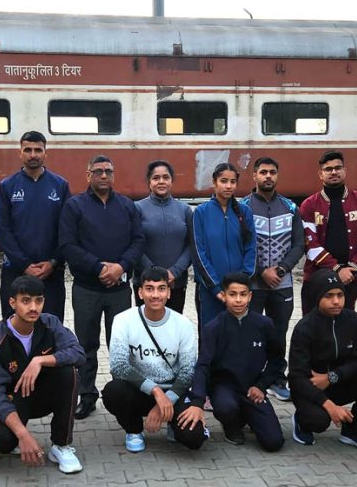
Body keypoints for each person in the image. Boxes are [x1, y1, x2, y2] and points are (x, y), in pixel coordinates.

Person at [59, 154, 144, 419]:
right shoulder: (75, 206)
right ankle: (86, 395)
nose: (104, 175)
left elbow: (138, 241)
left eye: (108, 171)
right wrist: (98, 268)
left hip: (119, 289)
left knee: (120, 344)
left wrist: (121, 267)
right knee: (86, 344)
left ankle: (123, 394)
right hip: (87, 288)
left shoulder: (127, 206)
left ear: (114, 174)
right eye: (98, 171)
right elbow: (68, 245)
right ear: (88, 175)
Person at [0, 276, 86, 474]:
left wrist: (40, 360)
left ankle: (61, 446)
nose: (34, 307)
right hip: (15, 400)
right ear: (13, 303)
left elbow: (78, 353)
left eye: (39, 300)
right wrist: (23, 434)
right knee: (2, 443)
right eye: (26, 301)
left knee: (69, 372)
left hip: (45, 395)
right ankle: (20, 438)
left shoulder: (50, 324)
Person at [102, 266, 206, 453]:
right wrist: (156, 392)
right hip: (141, 391)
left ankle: (172, 425)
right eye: (149, 288)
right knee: (113, 391)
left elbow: (188, 372)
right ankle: (134, 430)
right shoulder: (123, 320)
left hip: (174, 392)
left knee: (194, 439)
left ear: (169, 292)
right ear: (140, 293)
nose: (155, 295)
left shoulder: (183, 324)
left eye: (161, 288)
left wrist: (165, 402)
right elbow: (118, 367)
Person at [179, 272, 284, 451]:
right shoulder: (213, 328)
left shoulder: (264, 324)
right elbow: (203, 365)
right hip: (223, 387)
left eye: (243, 294)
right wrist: (197, 400)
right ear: (224, 295)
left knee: (273, 442)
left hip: (252, 388)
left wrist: (261, 385)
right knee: (226, 407)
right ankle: (231, 426)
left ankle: (249, 416)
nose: (238, 300)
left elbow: (277, 360)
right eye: (232, 294)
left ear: (250, 296)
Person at [288, 268, 357, 452]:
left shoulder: (353, 320)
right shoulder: (304, 328)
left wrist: (332, 377)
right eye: (329, 296)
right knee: (318, 421)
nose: (336, 301)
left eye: (340, 295)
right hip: (311, 388)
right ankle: (301, 422)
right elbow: (296, 377)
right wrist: (330, 406)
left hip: (339, 382)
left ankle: (354, 432)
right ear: (317, 297)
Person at [240, 157, 304, 402]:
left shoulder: (290, 207)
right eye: (263, 172)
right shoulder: (243, 206)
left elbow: (299, 244)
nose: (268, 176)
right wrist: (259, 271)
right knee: (251, 333)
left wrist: (281, 269)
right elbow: (240, 244)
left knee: (279, 333)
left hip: (282, 283)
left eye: (272, 172)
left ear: (277, 176)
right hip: (253, 284)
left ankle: (277, 379)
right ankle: (252, 379)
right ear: (254, 175)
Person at [0, 130, 71, 322]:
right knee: (14, 325)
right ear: (20, 153)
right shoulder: (7, 186)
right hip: (15, 271)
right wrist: (24, 265)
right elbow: (4, 230)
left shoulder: (60, 185)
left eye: (38, 150)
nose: (33, 154)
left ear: (46, 153)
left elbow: (67, 230)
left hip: (51, 273)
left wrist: (54, 262)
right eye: (27, 150)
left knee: (50, 327)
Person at [299, 150, 357, 315]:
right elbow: (310, 244)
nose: (333, 172)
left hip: (350, 277)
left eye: (337, 168)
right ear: (321, 174)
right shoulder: (309, 205)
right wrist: (336, 269)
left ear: (345, 171)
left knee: (346, 327)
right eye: (328, 169)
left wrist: (352, 268)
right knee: (313, 326)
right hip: (316, 276)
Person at [192, 163, 256, 327]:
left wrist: (240, 285)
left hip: (238, 293)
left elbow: (251, 249)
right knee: (210, 335)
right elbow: (199, 254)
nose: (228, 186)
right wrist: (215, 288)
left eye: (233, 182)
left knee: (237, 335)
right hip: (210, 291)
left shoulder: (245, 212)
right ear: (214, 182)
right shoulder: (201, 212)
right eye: (223, 181)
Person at [133, 160, 193, 314]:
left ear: (171, 181)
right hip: (146, 282)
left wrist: (175, 271)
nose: (161, 182)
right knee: (146, 330)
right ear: (149, 181)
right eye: (156, 178)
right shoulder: (137, 209)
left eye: (166, 177)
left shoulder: (184, 210)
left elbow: (191, 245)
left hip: (176, 283)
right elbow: (134, 244)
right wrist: (154, 273)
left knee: (172, 328)